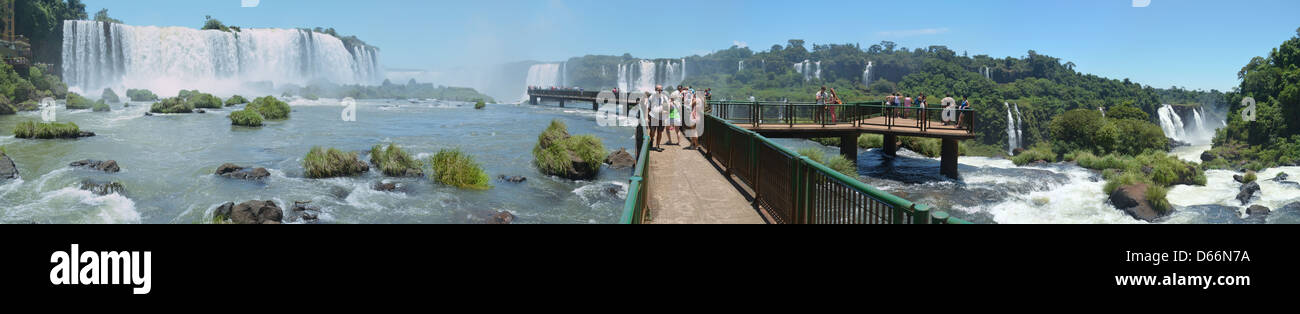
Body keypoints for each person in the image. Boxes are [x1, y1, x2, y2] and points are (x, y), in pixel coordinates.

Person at [648, 86, 669, 151]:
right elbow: (648, 108)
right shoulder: (651, 97)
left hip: (662, 118)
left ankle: (657, 146)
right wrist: (648, 117)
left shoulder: (665, 97)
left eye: (661, 90)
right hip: (653, 117)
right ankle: (652, 139)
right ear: (655, 90)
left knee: (660, 132)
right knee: (652, 132)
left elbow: (667, 107)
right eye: (658, 90)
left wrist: (666, 112)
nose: (659, 91)